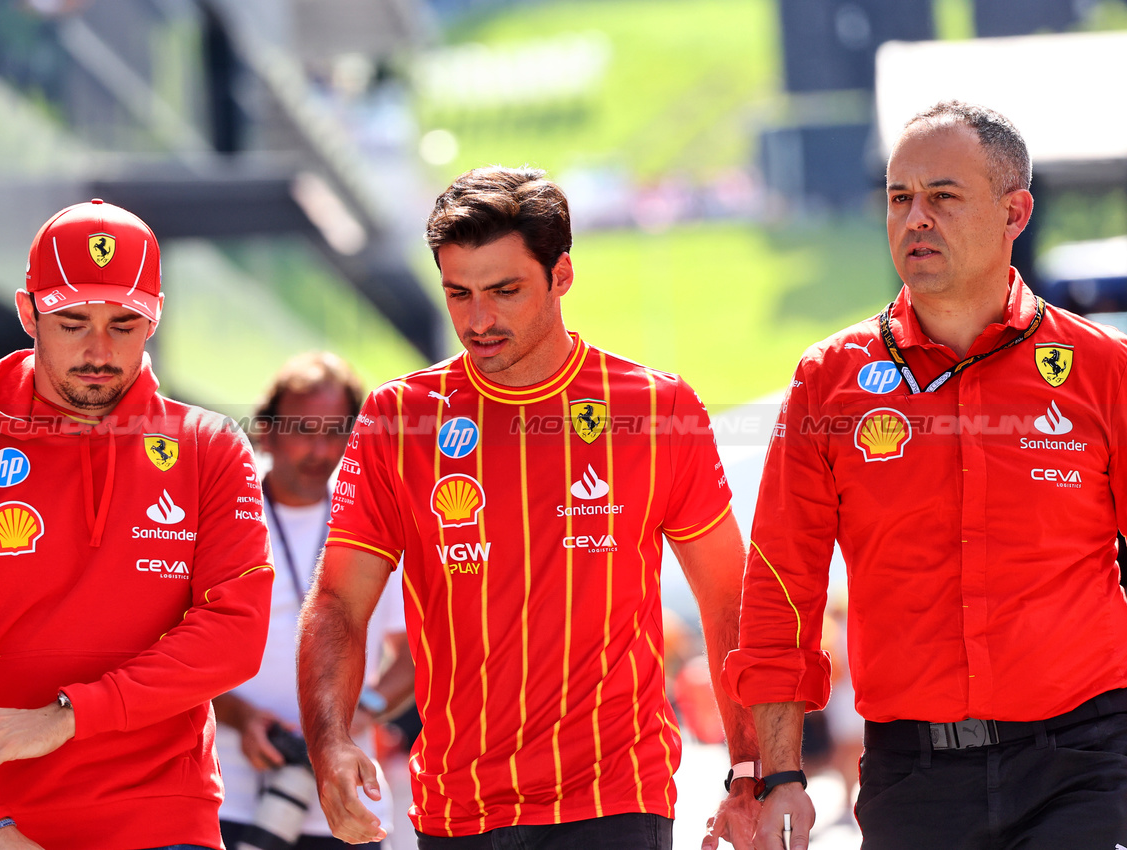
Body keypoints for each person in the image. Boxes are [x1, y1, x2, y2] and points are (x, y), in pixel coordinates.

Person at [296, 167, 760, 850]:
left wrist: (751, 772)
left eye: (503, 291)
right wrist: (329, 743)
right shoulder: (399, 419)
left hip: (614, 796)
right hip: (457, 806)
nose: (478, 320)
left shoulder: (655, 408)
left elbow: (728, 602)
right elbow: (337, 601)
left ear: (561, 274)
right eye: (458, 294)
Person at [723, 100, 1127, 849]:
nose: (915, 218)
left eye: (942, 196)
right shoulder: (828, 381)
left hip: (1086, 762)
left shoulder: (1103, 371)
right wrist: (777, 775)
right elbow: (782, 585)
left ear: (1015, 212)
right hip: (911, 779)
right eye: (898, 197)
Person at [0, 199, 274, 850]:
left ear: (156, 316)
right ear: (28, 313)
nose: (98, 351)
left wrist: (69, 716)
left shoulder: (211, 446)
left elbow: (235, 633)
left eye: (125, 324)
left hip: (169, 825)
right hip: (8, 832)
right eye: (73, 322)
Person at [215, 351, 414, 850]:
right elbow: (168, 641)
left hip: (346, 802)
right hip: (226, 794)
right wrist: (242, 719)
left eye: (336, 432)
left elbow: (414, 654)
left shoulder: (372, 519)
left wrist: (354, 714)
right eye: (304, 428)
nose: (320, 450)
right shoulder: (220, 514)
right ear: (266, 429)